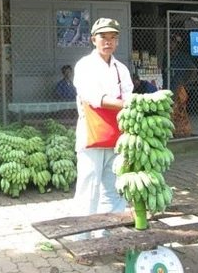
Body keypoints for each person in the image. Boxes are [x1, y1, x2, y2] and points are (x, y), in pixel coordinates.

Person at [72, 18, 134, 235]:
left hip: (117, 137)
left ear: (117, 41)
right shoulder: (84, 65)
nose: (108, 41)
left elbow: (128, 95)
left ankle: (106, 235)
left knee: (114, 189)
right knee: (88, 190)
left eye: (113, 37)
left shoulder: (121, 68)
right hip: (92, 136)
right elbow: (93, 96)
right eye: (103, 37)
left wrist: (133, 103)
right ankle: (82, 241)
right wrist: (128, 104)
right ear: (93, 40)